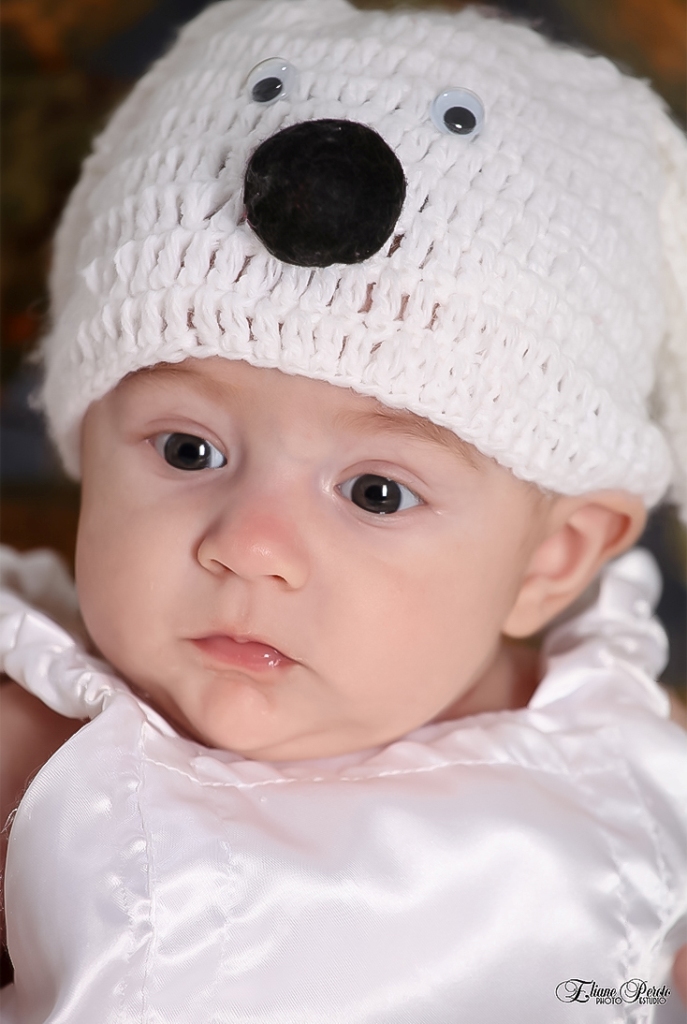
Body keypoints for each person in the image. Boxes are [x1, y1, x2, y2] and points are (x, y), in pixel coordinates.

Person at [1, 0, 686, 1020]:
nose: (251, 547)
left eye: (376, 492)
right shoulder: (40, 743)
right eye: (188, 449)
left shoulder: (627, 753)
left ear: (551, 560)